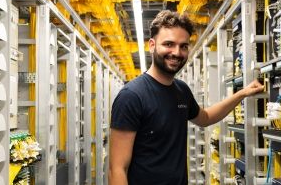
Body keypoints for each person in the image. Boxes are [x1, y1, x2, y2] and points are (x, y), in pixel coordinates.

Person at [109, 10, 264, 185]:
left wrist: (242, 93)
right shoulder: (132, 96)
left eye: (183, 46)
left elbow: (205, 118)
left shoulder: (181, 90)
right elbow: (117, 169)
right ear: (152, 45)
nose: (177, 52)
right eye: (169, 44)